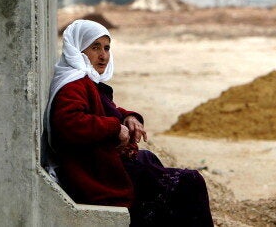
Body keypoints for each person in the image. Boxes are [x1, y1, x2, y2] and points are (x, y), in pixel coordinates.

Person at [42, 20, 213, 226]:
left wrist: (129, 117)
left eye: (106, 48)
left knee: (150, 161)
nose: (103, 55)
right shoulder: (74, 84)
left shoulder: (86, 80)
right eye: (95, 47)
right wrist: (115, 128)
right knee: (190, 182)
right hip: (95, 174)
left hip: (104, 164)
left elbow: (105, 109)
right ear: (78, 49)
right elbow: (68, 123)